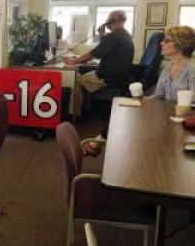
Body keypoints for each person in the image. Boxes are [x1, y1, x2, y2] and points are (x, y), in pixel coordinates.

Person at [82, 25, 195, 156]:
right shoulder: (168, 68)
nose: (161, 43)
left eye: (167, 40)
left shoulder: (192, 69)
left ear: (181, 44)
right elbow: (159, 96)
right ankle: (98, 141)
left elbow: (192, 104)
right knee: (125, 112)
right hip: (167, 116)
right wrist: (141, 100)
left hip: (182, 122)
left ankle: (96, 144)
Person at [64, 10, 134, 113]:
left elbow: (92, 54)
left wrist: (74, 62)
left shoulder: (114, 36)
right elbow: (106, 48)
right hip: (118, 76)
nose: (106, 21)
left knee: (76, 81)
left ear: (113, 21)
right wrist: (102, 35)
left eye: (108, 19)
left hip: (107, 77)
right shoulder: (125, 35)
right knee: (83, 74)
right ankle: (87, 107)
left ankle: (77, 115)